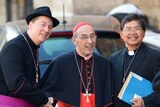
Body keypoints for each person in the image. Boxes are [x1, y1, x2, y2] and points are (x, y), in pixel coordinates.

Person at [39, 22, 113, 107]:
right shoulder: (60, 63)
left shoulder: (104, 64)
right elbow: (46, 92)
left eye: (92, 36)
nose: (90, 41)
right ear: (74, 40)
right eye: (84, 37)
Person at [0, 6, 59, 107]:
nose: (47, 30)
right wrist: (43, 99)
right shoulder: (15, 47)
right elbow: (16, 84)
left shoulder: (32, 47)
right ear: (30, 24)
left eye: (50, 27)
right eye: (43, 25)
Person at [109, 13, 160, 107]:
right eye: (128, 29)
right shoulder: (114, 58)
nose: (132, 32)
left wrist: (146, 101)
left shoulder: (156, 56)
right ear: (121, 34)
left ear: (144, 32)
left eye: (137, 28)